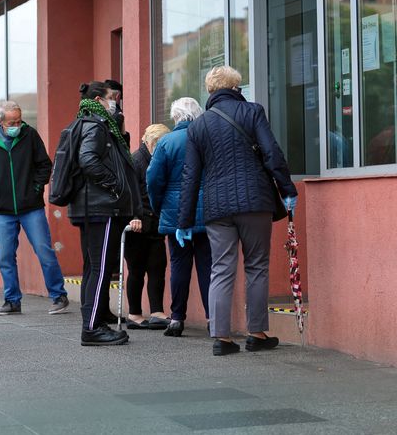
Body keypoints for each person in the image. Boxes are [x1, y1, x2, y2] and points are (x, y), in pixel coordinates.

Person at [177, 66, 297, 356]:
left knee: (221, 269)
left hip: (217, 207)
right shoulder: (252, 112)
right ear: (236, 87)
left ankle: (222, 338)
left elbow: (190, 176)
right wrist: (287, 189)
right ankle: (256, 333)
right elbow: (272, 153)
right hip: (254, 201)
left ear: (210, 90)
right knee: (256, 265)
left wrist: (184, 221)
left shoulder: (198, 125)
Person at [67, 81, 143, 346]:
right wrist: (116, 184)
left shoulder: (85, 122)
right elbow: (88, 159)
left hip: (90, 206)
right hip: (100, 207)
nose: (116, 102)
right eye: (113, 98)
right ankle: (91, 329)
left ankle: (94, 321)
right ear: (99, 99)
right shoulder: (96, 126)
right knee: (100, 269)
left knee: (92, 267)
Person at [0, 101, 69, 316]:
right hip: (4, 210)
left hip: (31, 207)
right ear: (0, 122)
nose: (16, 125)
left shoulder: (30, 135)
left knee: (45, 251)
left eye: (18, 121)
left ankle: (59, 296)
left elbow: (45, 165)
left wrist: (36, 189)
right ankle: (12, 301)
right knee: (6, 257)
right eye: (11, 122)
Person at [147, 98, 212, 337]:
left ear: (175, 117)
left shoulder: (166, 142)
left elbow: (153, 180)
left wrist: (159, 206)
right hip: (206, 210)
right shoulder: (206, 139)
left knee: (179, 265)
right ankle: (212, 318)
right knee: (208, 266)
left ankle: (176, 318)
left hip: (175, 212)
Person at [125, 123, 171, 330]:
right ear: (150, 142)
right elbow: (129, 193)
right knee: (136, 269)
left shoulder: (157, 159)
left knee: (157, 267)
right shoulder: (136, 160)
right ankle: (134, 314)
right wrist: (134, 216)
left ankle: (157, 312)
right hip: (138, 224)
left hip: (155, 223)